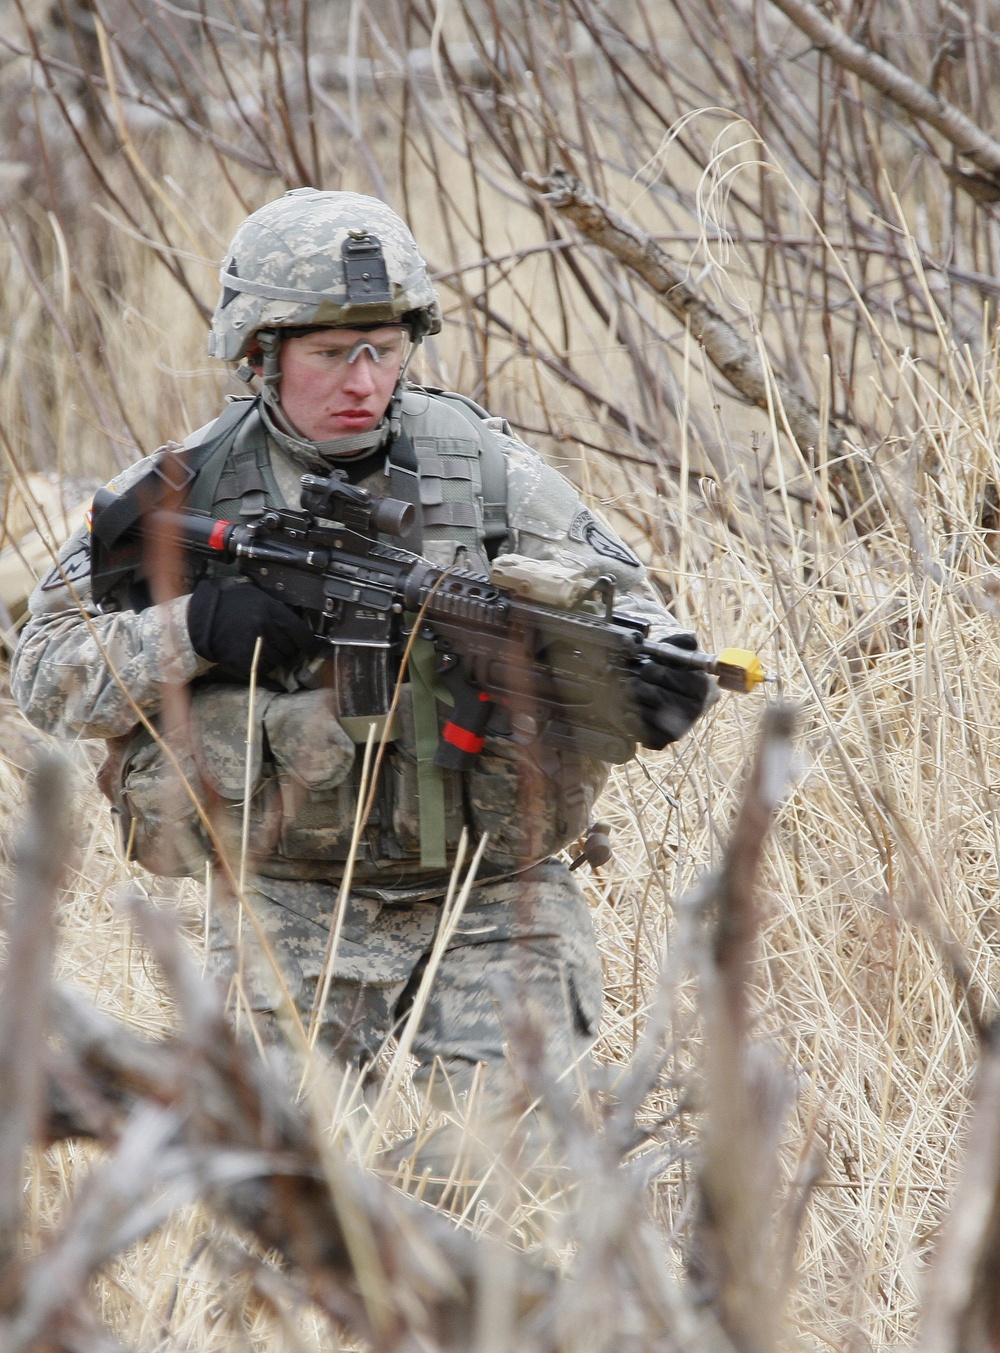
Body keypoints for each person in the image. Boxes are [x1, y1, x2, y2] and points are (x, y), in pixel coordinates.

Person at [11, 189, 708, 1174]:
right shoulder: (187, 487)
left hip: (493, 894)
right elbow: (44, 670)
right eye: (332, 352)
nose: (365, 379)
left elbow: (634, 605)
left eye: (383, 347)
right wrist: (197, 628)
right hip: (291, 903)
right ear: (260, 352)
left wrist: (645, 675)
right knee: (272, 1198)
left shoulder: (486, 469)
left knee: (532, 1187)